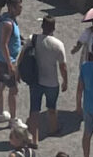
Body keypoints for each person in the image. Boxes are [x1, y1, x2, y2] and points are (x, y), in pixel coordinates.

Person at [27, 14, 68, 143]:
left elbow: (23, 56)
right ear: (53, 28)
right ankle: (53, 129)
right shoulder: (58, 45)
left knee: (34, 110)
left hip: (35, 80)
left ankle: (34, 139)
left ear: (42, 26)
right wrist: (65, 81)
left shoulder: (32, 39)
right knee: (51, 107)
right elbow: (63, 66)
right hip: (51, 82)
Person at [0, 0, 23, 125]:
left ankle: (1, 114)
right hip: (7, 61)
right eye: (19, 7)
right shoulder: (8, 24)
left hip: (1, 59)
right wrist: (10, 64)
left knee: (1, 84)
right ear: (11, 7)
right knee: (14, 89)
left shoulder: (8, 19)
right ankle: (13, 119)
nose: (21, 9)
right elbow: (4, 44)